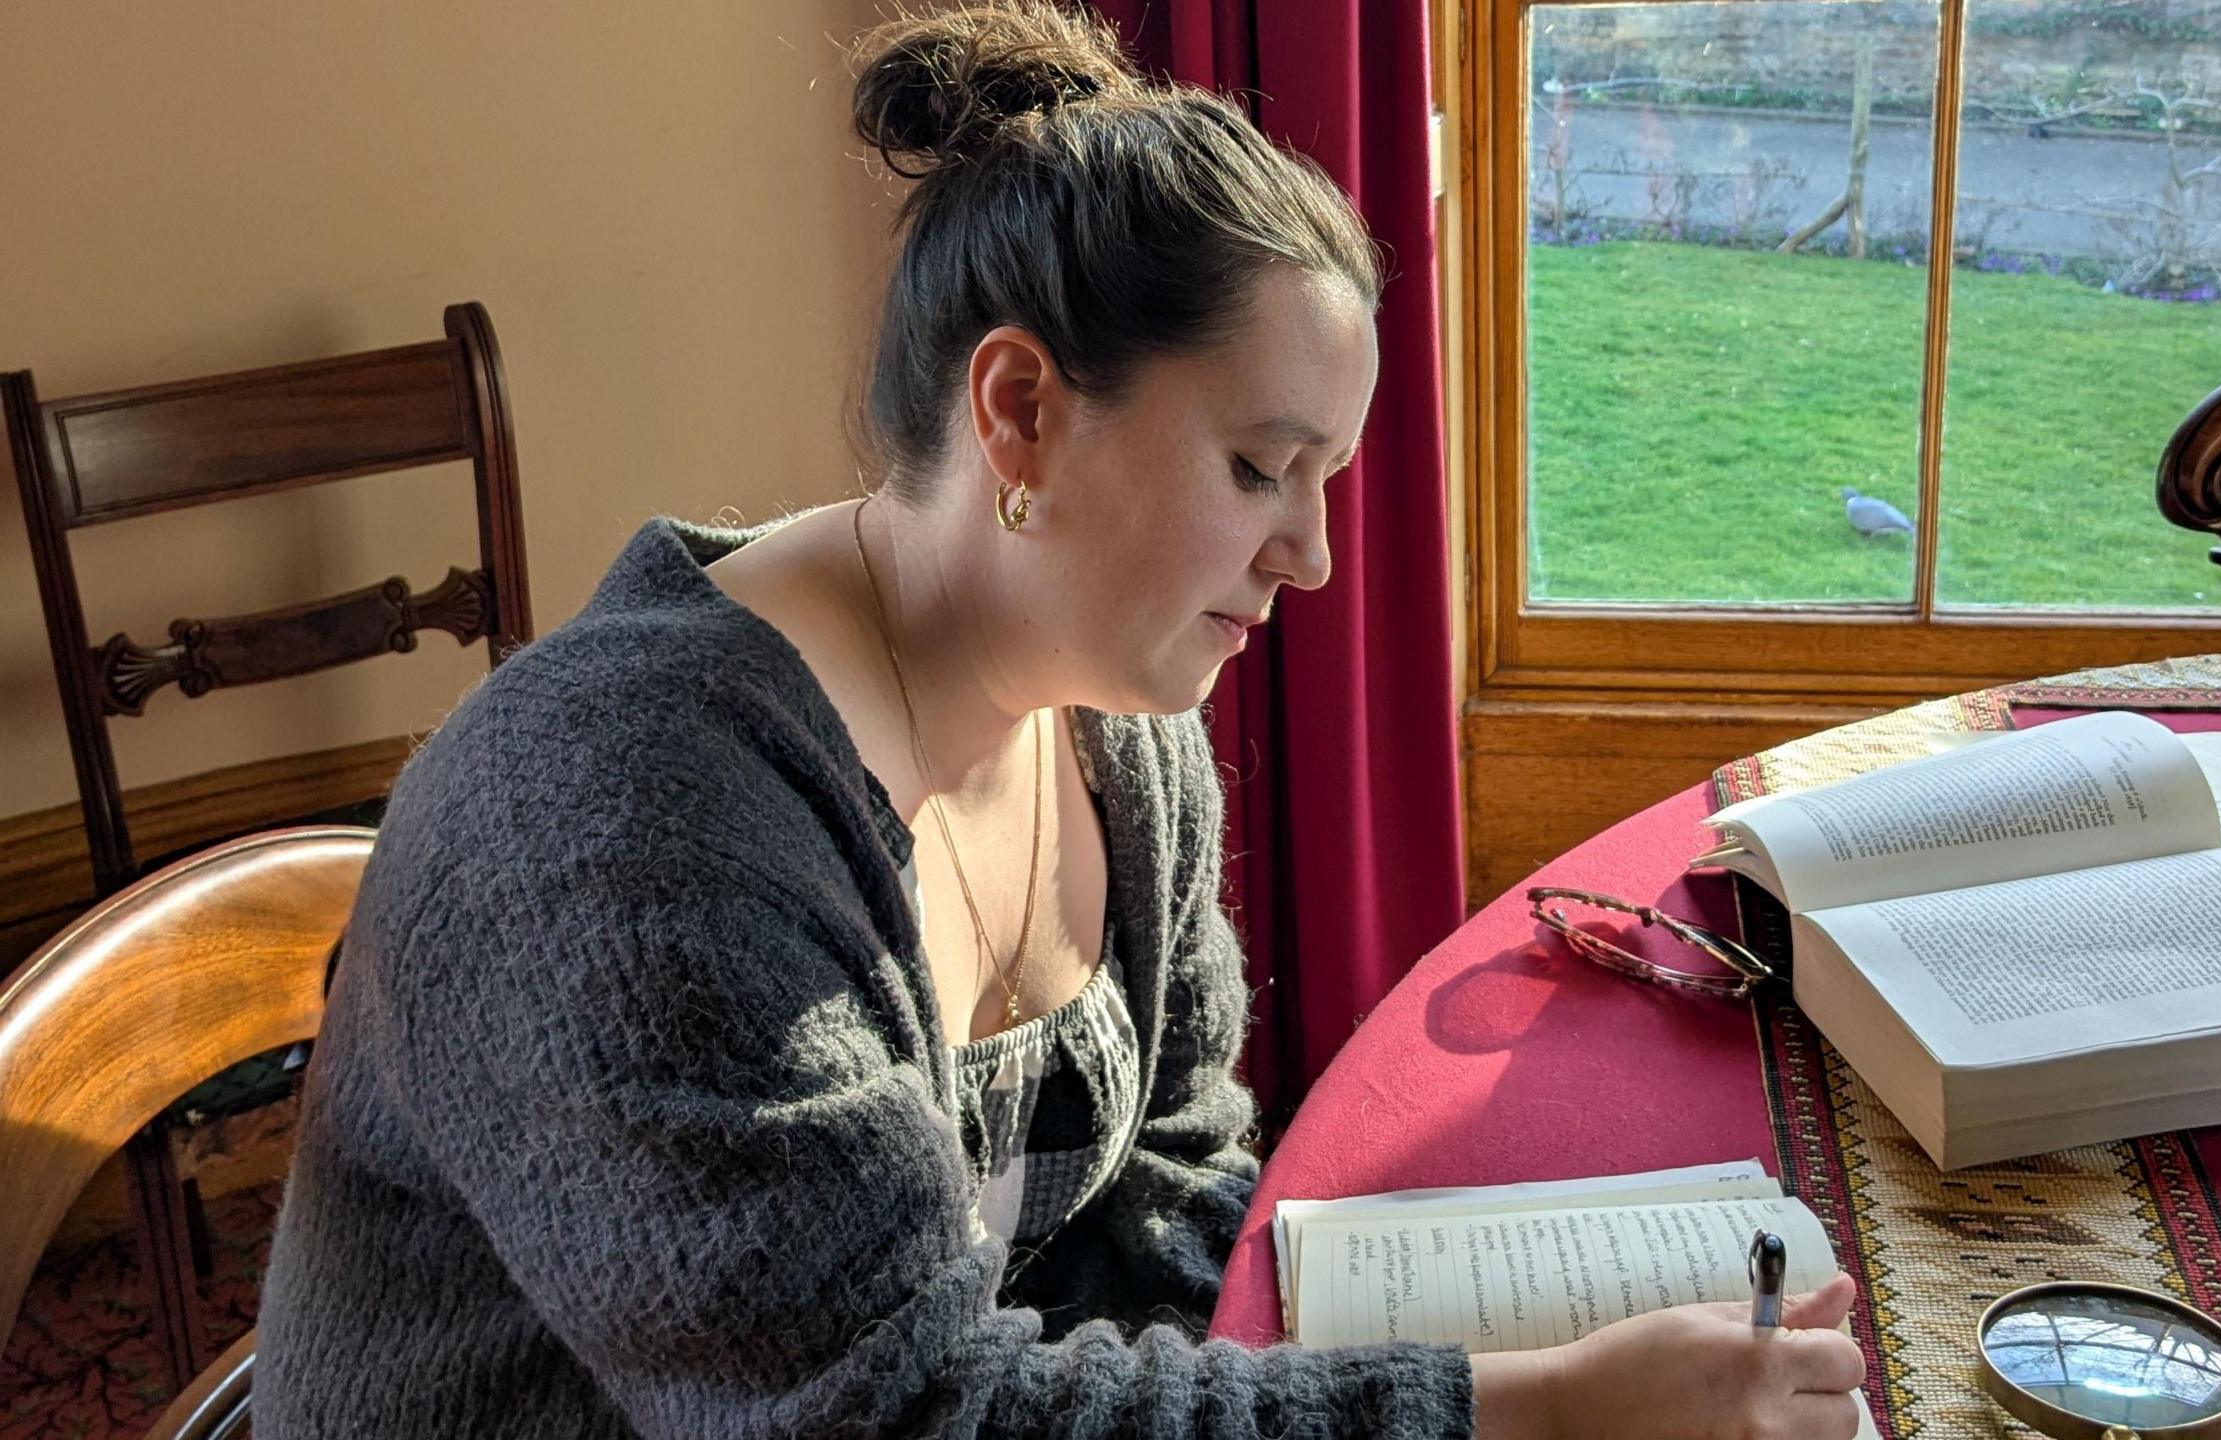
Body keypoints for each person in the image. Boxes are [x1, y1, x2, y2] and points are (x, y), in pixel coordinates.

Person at [251, 4, 1867, 1435]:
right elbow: (898, 1418)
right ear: (1020, 408)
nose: (1307, 556)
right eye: (1258, 469)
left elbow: (1164, 1180)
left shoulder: (1115, 720)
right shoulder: (625, 823)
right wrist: (1528, 1415)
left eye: (1326, 482)